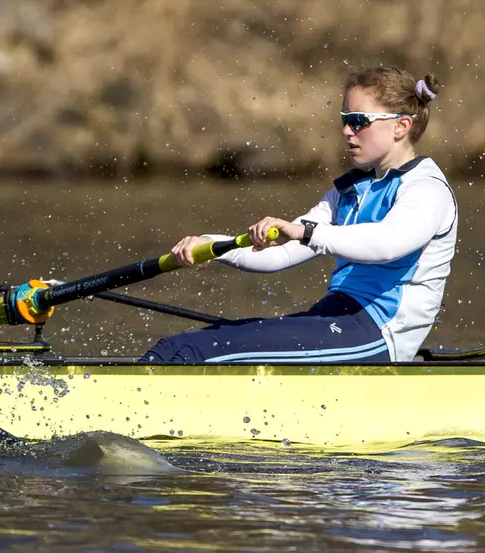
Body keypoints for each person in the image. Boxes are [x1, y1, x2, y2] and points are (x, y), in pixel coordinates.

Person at [144, 66, 457, 364]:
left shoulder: (427, 190)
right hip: (337, 318)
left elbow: (387, 244)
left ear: (401, 126)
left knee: (192, 350)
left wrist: (308, 233)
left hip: (377, 335)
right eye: (344, 119)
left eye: (359, 120)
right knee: (175, 347)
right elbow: (278, 256)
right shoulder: (350, 192)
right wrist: (211, 244)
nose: (347, 131)